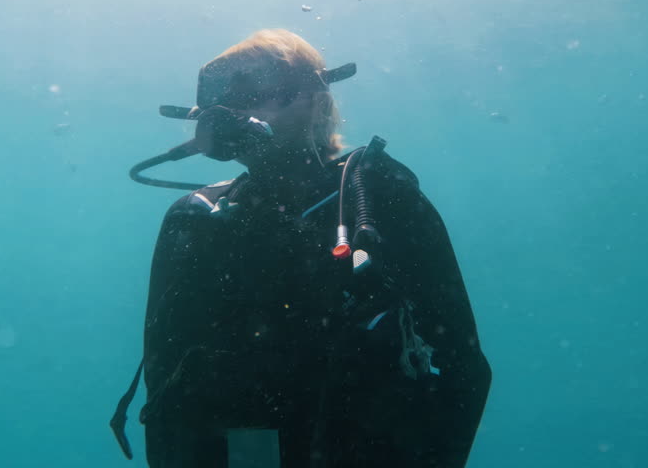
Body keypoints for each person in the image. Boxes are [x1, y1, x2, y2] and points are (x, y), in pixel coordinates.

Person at [113, 29, 491, 467]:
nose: (230, 108)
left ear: (315, 97)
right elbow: (163, 381)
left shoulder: (380, 198)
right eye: (217, 95)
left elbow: (464, 366)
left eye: (253, 88)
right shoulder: (196, 220)